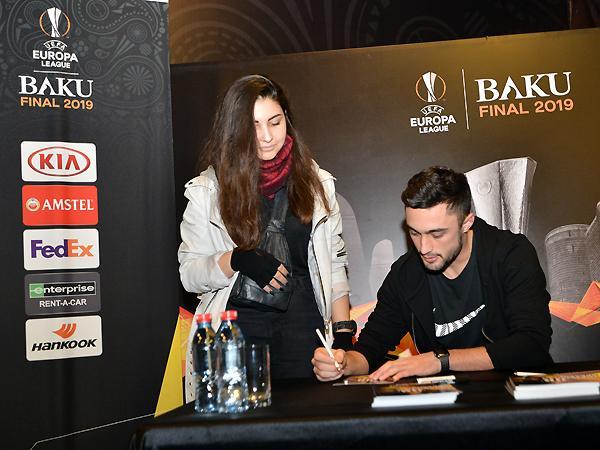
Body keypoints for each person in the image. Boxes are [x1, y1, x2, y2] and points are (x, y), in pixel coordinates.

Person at [178, 74, 353, 400]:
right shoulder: (209, 190)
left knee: (308, 417)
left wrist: (343, 335)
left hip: (304, 328)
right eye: (254, 126)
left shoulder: (317, 183)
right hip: (237, 329)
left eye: (275, 122)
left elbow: (335, 264)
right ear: (235, 129)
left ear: (287, 118)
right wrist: (238, 259)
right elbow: (190, 275)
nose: (267, 136)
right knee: (240, 423)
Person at [313, 166, 552, 382]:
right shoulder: (405, 275)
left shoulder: (510, 254)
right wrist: (342, 364)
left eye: (437, 234)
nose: (424, 247)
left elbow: (531, 345)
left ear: (467, 222)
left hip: (515, 394)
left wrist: (439, 360)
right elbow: (368, 350)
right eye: (414, 233)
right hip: (445, 402)